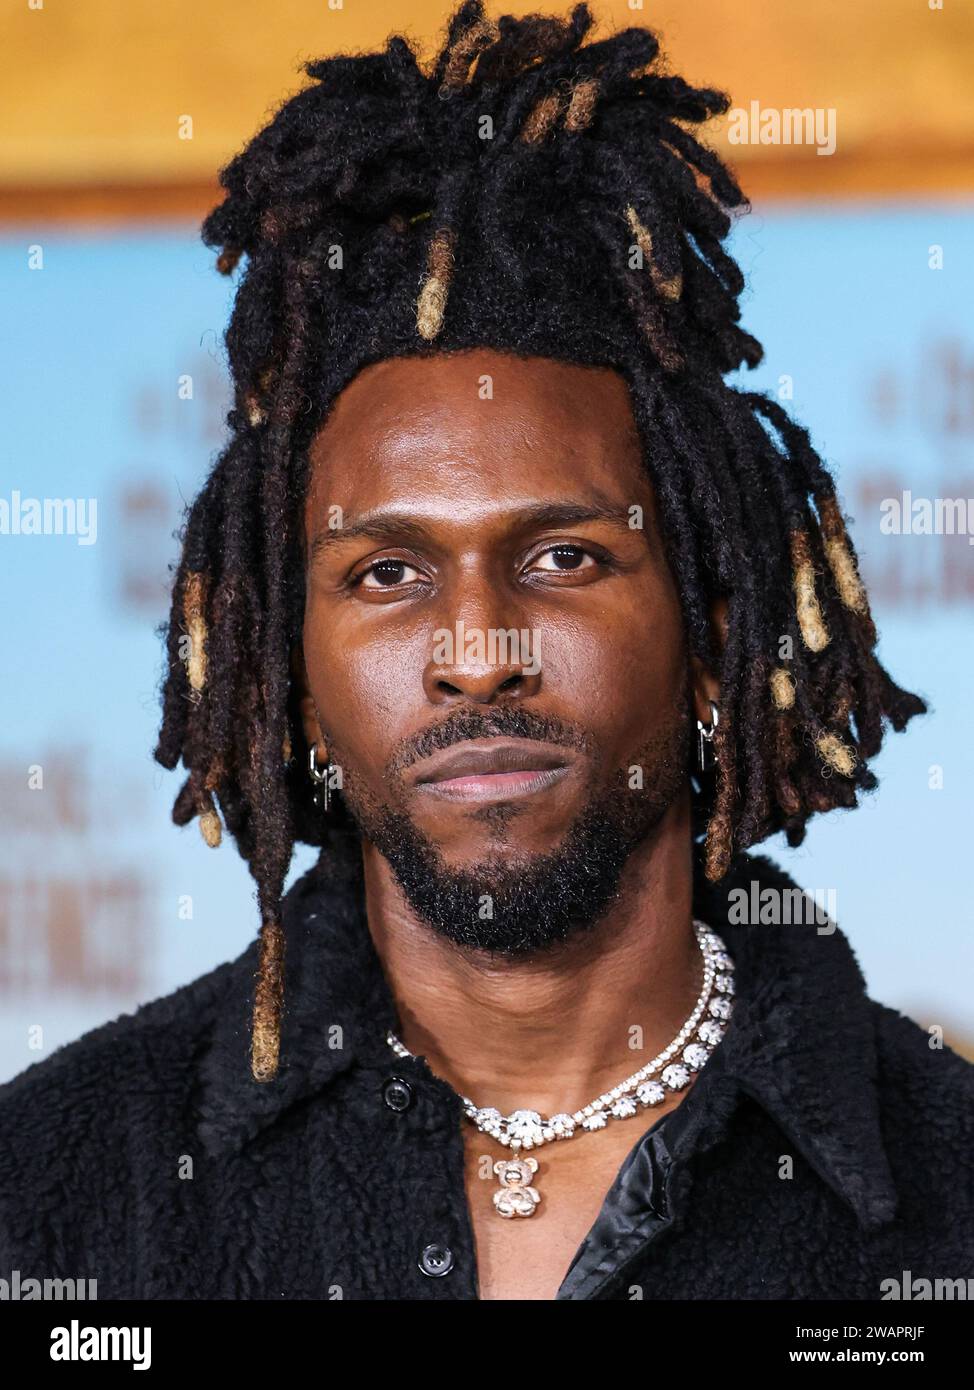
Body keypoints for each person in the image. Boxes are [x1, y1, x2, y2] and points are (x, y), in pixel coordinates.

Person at [1, 0, 971, 1302]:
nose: (475, 651)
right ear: (286, 678)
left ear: (711, 639)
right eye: (386, 571)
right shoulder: (55, 1198)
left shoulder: (947, 1194)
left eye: (564, 556)